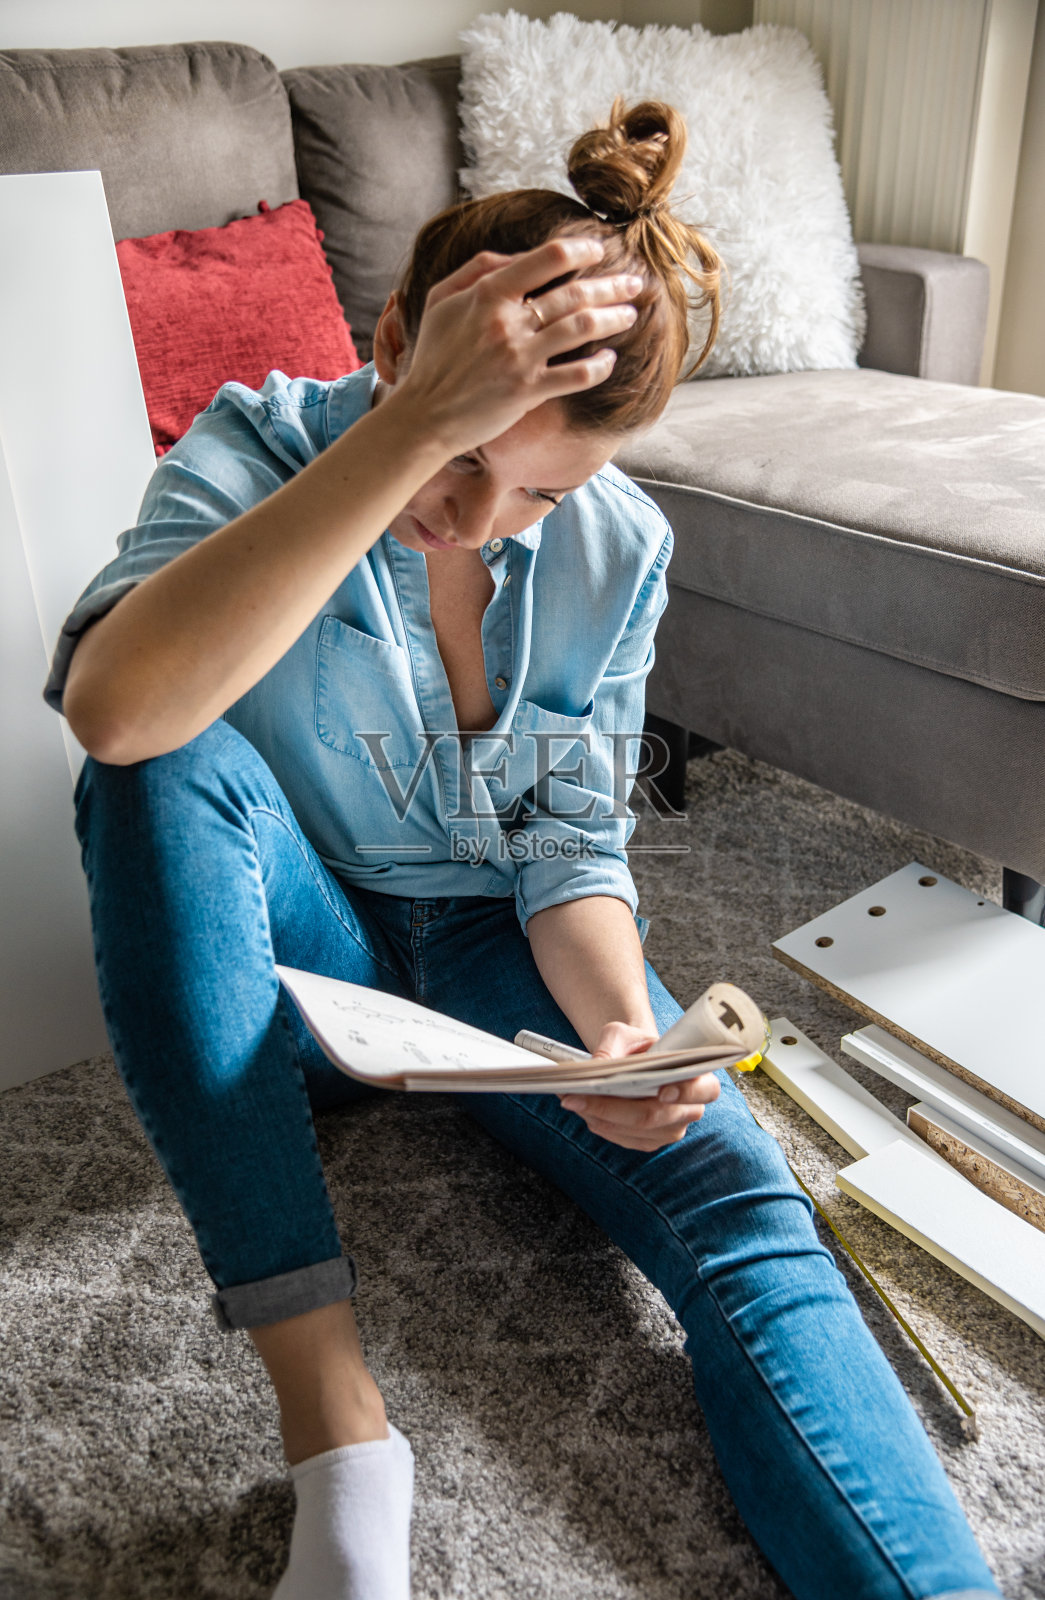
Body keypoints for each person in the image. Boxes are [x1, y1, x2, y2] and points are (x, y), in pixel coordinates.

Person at [46, 100, 999, 1600]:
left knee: (745, 1204)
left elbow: (568, 841)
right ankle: (339, 1431)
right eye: (461, 459)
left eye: (537, 490)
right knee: (161, 776)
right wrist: (410, 429)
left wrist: (617, 1034)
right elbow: (115, 714)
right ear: (391, 344)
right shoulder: (257, 447)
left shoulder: (619, 546)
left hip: (492, 950)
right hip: (297, 939)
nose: (475, 525)